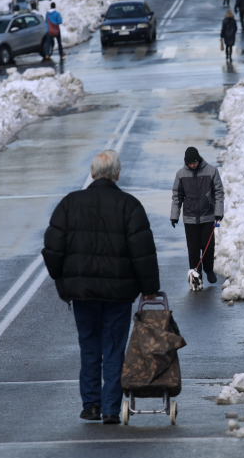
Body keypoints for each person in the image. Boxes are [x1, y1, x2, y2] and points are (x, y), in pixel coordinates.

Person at [42, 150, 160, 425]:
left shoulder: (70, 204)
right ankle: (110, 408)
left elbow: (52, 247)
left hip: (82, 293)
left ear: (92, 173)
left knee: (89, 346)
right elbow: (142, 251)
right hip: (119, 294)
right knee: (115, 348)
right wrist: (149, 288)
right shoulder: (129, 206)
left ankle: (91, 405)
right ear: (117, 174)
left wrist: (62, 281)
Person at [171, 147, 224, 284]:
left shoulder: (211, 171)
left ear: (199, 159)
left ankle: (209, 270)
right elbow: (177, 196)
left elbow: (218, 192)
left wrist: (218, 212)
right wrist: (174, 215)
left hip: (208, 216)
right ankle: (196, 274)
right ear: (186, 162)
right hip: (190, 218)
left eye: (194, 162)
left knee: (207, 246)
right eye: (190, 163)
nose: (193, 165)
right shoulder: (181, 174)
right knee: (193, 248)